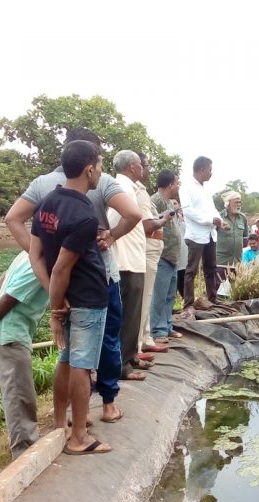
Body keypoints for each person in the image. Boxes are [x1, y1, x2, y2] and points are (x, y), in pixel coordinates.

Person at [4, 127, 140, 423]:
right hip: (97, 278)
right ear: (89, 163)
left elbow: (13, 218)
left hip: (59, 282)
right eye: (99, 160)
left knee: (66, 354)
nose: (101, 167)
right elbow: (133, 214)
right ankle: (104, 407)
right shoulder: (98, 184)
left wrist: (39, 255)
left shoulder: (43, 187)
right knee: (99, 348)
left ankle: (63, 418)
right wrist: (112, 236)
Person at [29, 140, 111, 454]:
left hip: (66, 299)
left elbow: (36, 256)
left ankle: (60, 422)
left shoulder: (47, 203)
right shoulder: (83, 214)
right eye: (100, 166)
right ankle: (78, 437)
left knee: (65, 360)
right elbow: (63, 266)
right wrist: (54, 309)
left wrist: (55, 297)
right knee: (82, 365)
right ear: (89, 169)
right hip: (87, 297)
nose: (101, 172)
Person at [0, 251, 49, 458]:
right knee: (18, 397)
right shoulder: (38, 261)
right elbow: (10, 295)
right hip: (11, 333)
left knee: (21, 394)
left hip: (10, 330)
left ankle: (26, 445)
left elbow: (3, 277)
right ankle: (23, 453)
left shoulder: (27, 252)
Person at [111, 150, 159, 380]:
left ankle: (130, 356)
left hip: (134, 258)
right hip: (125, 260)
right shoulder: (120, 188)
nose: (143, 168)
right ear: (131, 166)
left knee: (134, 312)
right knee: (128, 314)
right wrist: (113, 239)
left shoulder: (131, 187)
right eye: (140, 164)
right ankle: (122, 365)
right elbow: (113, 221)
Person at [134, 153, 173, 356]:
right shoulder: (138, 192)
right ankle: (138, 344)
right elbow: (147, 224)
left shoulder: (140, 190)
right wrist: (164, 219)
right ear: (134, 166)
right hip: (146, 246)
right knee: (145, 297)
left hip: (152, 247)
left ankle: (146, 338)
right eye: (145, 165)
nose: (148, 169)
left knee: (147, 296)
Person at [179, 156, 224, 318]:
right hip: (196, 235)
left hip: (210, 234)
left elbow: (212, 209)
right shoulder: (186, 188)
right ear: (202, 169)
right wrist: (208, 220)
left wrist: (220, 221)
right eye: (210, 170)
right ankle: (188, 303)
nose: (211, 173)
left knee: (210, 268)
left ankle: (212, 297)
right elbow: (188, 210)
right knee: (191, 271)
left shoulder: (205, 189)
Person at [149, 170, 184, 345]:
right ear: (170, 184)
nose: (178, 186)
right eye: (177, 183)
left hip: (173, 256)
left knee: (170, 295)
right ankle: (157, 330)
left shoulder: (171, 202)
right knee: (159, 295)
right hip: (161, 255)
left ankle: (167, 326)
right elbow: (150, 224)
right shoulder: (154, 201)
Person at [216, 190, 249, 281]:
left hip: (237, 263)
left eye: (240, 202)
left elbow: (245, 239)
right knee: (220, 291)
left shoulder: (243, 218)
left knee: (235, 291)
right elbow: (211, 237)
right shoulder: (219, 217)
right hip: (221, 262)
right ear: (228, 203)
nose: (239, 204)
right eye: (236, 202)